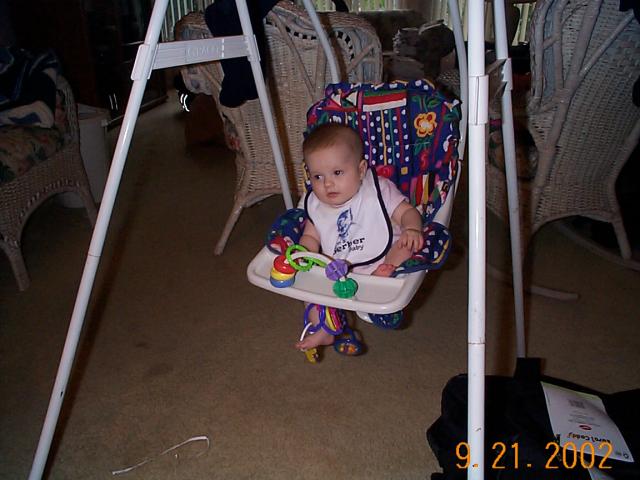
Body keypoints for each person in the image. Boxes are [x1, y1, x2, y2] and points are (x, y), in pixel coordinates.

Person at [295, 123, 424, 352]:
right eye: (318, 176)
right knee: (309, 290)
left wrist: (412, 228)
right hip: (337, 270)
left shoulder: (378, 190)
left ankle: (384, 275)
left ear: (361, 169)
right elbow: (311, 236)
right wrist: (303, 253)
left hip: (384, 258)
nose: (327, 184)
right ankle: (323, 329)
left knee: (406, 246)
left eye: (337, 173)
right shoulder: (315, 205)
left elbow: (407, 212)